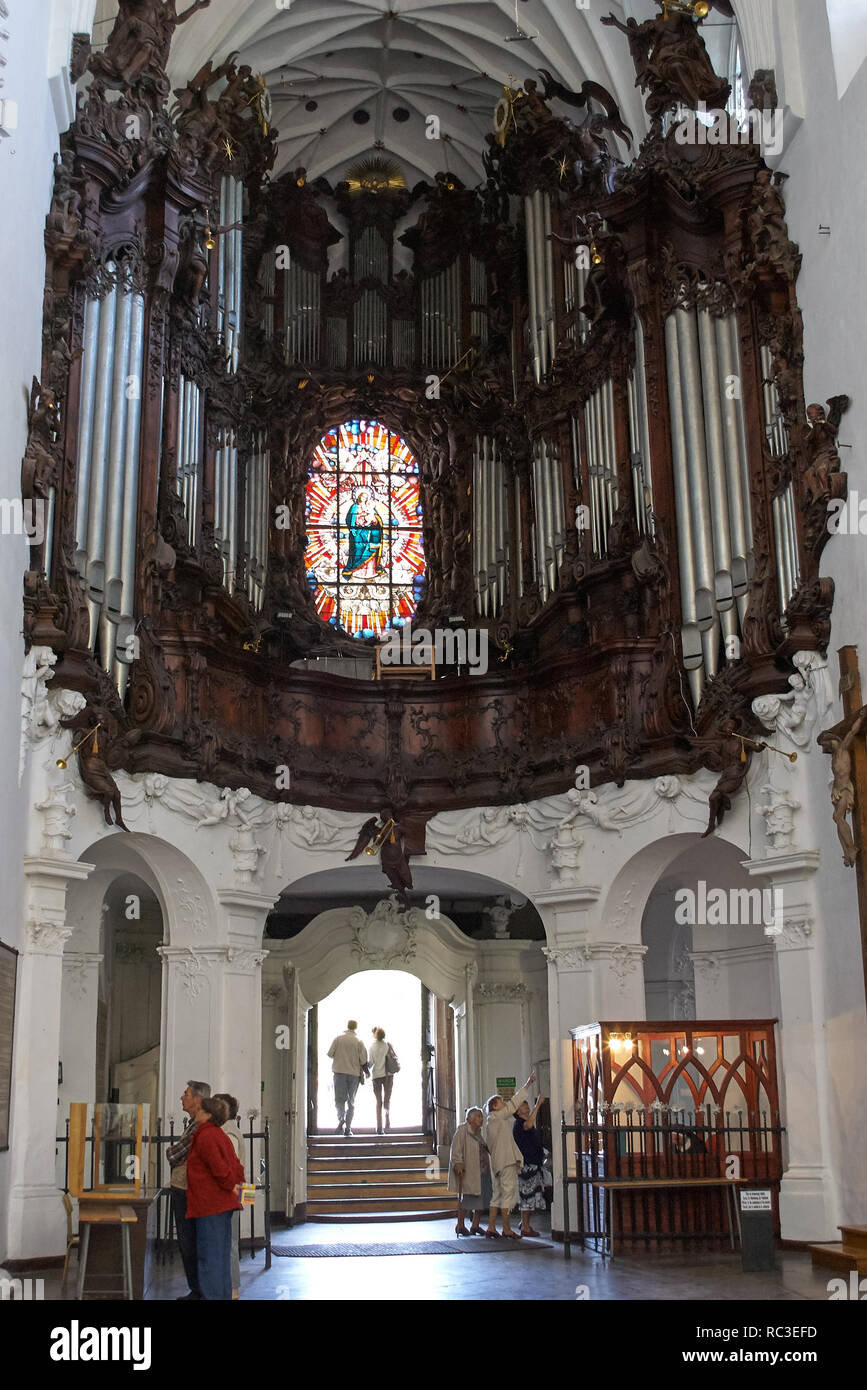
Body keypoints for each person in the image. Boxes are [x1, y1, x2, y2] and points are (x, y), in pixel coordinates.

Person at [186, 1095, 245, 1302]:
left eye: (200, 1110)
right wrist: (236, 1184)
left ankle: (214, 1296)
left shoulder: (206, 1135)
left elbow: (219, 1169)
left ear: (209, 1114)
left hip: (209, 1204)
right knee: (221, 1254)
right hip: (222, 1202)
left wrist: (231, 1185)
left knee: (210, 1256)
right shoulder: (219, 1133)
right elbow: (237, 1165)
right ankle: (223, 1295)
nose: (196, 1112)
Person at [166, 1079, 211, 1300]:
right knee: (189, 1240)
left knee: (189, 1240)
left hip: (186, 1188)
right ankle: (198, 1289)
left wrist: (173, 1155)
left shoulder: (199, 1126)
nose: (182, 1098)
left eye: (186, 1094)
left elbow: (173, 1154)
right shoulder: (193, 1124)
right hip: (185, 1187)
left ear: (198, 1100)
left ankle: (200, 1290)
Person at [484, 1073, 535, 1238]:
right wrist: (527, 1085)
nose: (504, 1103)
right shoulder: (498, 1118)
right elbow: (513, 1104)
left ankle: (491, 1227)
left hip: (498, 1162)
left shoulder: (491, 1122)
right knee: (508, 1194)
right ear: (494, 1107)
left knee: (497, 1195)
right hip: (506, 1162)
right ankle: (506, 1229)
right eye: (500, 1102)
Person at [214, 1092, 244, 1300]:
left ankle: (233, 1288)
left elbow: (229, 1169)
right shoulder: (229, 1131)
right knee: (230, 1240)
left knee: (231, 1242)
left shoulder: (228, 1133)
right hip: (237, 1189)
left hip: (232, 1191)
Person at [448, 1107, 491, 1236]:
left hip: (482, 1170)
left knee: (483, 1199)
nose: (481, 1119)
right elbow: (455, 1149)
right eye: (478, 1116)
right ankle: (460, 1225)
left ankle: (475, 1226)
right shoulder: (462, 1130)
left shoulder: (478, 1133)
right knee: (466, 1200)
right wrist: (458, 1163)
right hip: (469, 1171)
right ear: (470, 1118)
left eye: (481, 1116)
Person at [327, 1019, 369, 1136]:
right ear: (355, 1027)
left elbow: (330, 1053)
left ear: (347, 1026)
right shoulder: (359, 1041)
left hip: (339, 1072)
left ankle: (341, 1118)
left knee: (339, 1100)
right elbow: (364, 1060)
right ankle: (348, 1128)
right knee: (351, 1101)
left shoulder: (338, 1039)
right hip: (354, 1074)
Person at [513, 1096, 547, 1237]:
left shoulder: (526, 1122)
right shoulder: (519, 1123)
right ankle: (526, 1227)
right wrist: (538, 1105)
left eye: (526, 1103)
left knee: (533, 1196)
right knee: (527, 1197)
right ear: (517, 1111)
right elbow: (528, 1125)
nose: (526, 1105)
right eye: (523, 1104)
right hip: (527, 1166)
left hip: (534, 1164)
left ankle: (524, 1222)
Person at [368, 1027, 394, 1134]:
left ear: (375, 1035)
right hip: (388, 1076)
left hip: (377, 1077)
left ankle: (379, 1127)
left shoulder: (372, 1047)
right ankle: (387, 1121)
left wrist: (363, 1068)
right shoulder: (388, 1045)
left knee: (378, 1102)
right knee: (387, 1100)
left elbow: (370, 1063)